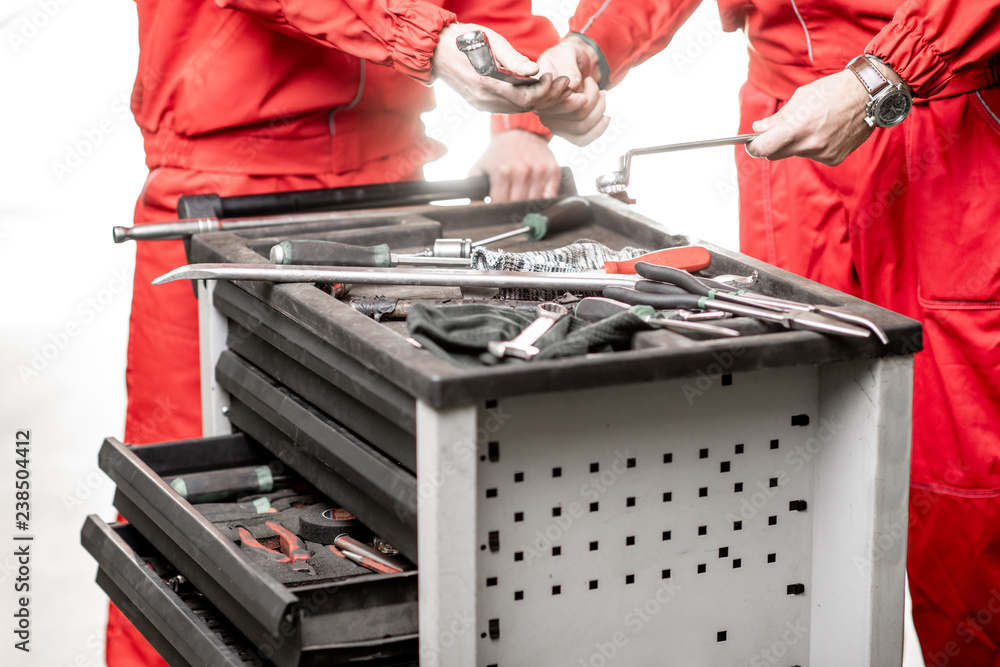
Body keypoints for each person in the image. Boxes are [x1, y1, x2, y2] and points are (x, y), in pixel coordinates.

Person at [533, 1, 1000, 664]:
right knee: (792, 483)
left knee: (966, 495)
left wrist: (881, 76)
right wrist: (589, 45)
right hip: (793, 135)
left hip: (948, 126)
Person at [111, 1, 573, 664]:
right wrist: (430, 37)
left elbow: (491, 13)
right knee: (179, 543)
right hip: (218, 201)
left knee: (399, 523)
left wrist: (527, 115)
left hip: (391, 196)